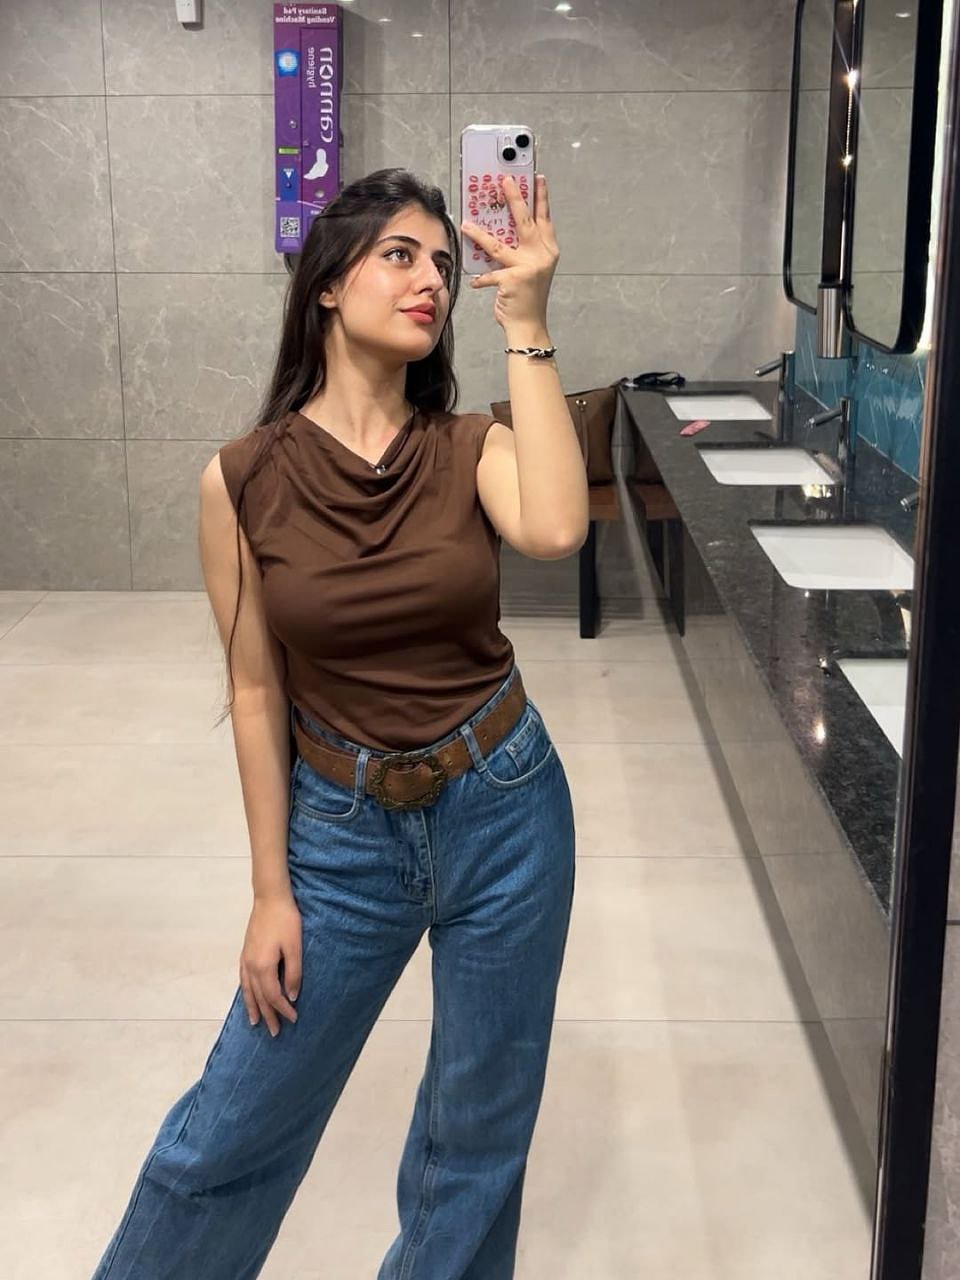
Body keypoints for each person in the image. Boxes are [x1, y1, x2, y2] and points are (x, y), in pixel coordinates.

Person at [91, 165, 589, 1279]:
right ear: (326, 282)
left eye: (443, 265)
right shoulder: (242, 480)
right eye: (400, 255)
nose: (432, 281)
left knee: (477, 1141)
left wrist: (528, 320)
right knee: (227, 1132)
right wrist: (271, 887)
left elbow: (557, 527)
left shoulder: (467, 446)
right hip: (342, 833)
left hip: (507, 808)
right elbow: (256, 688)